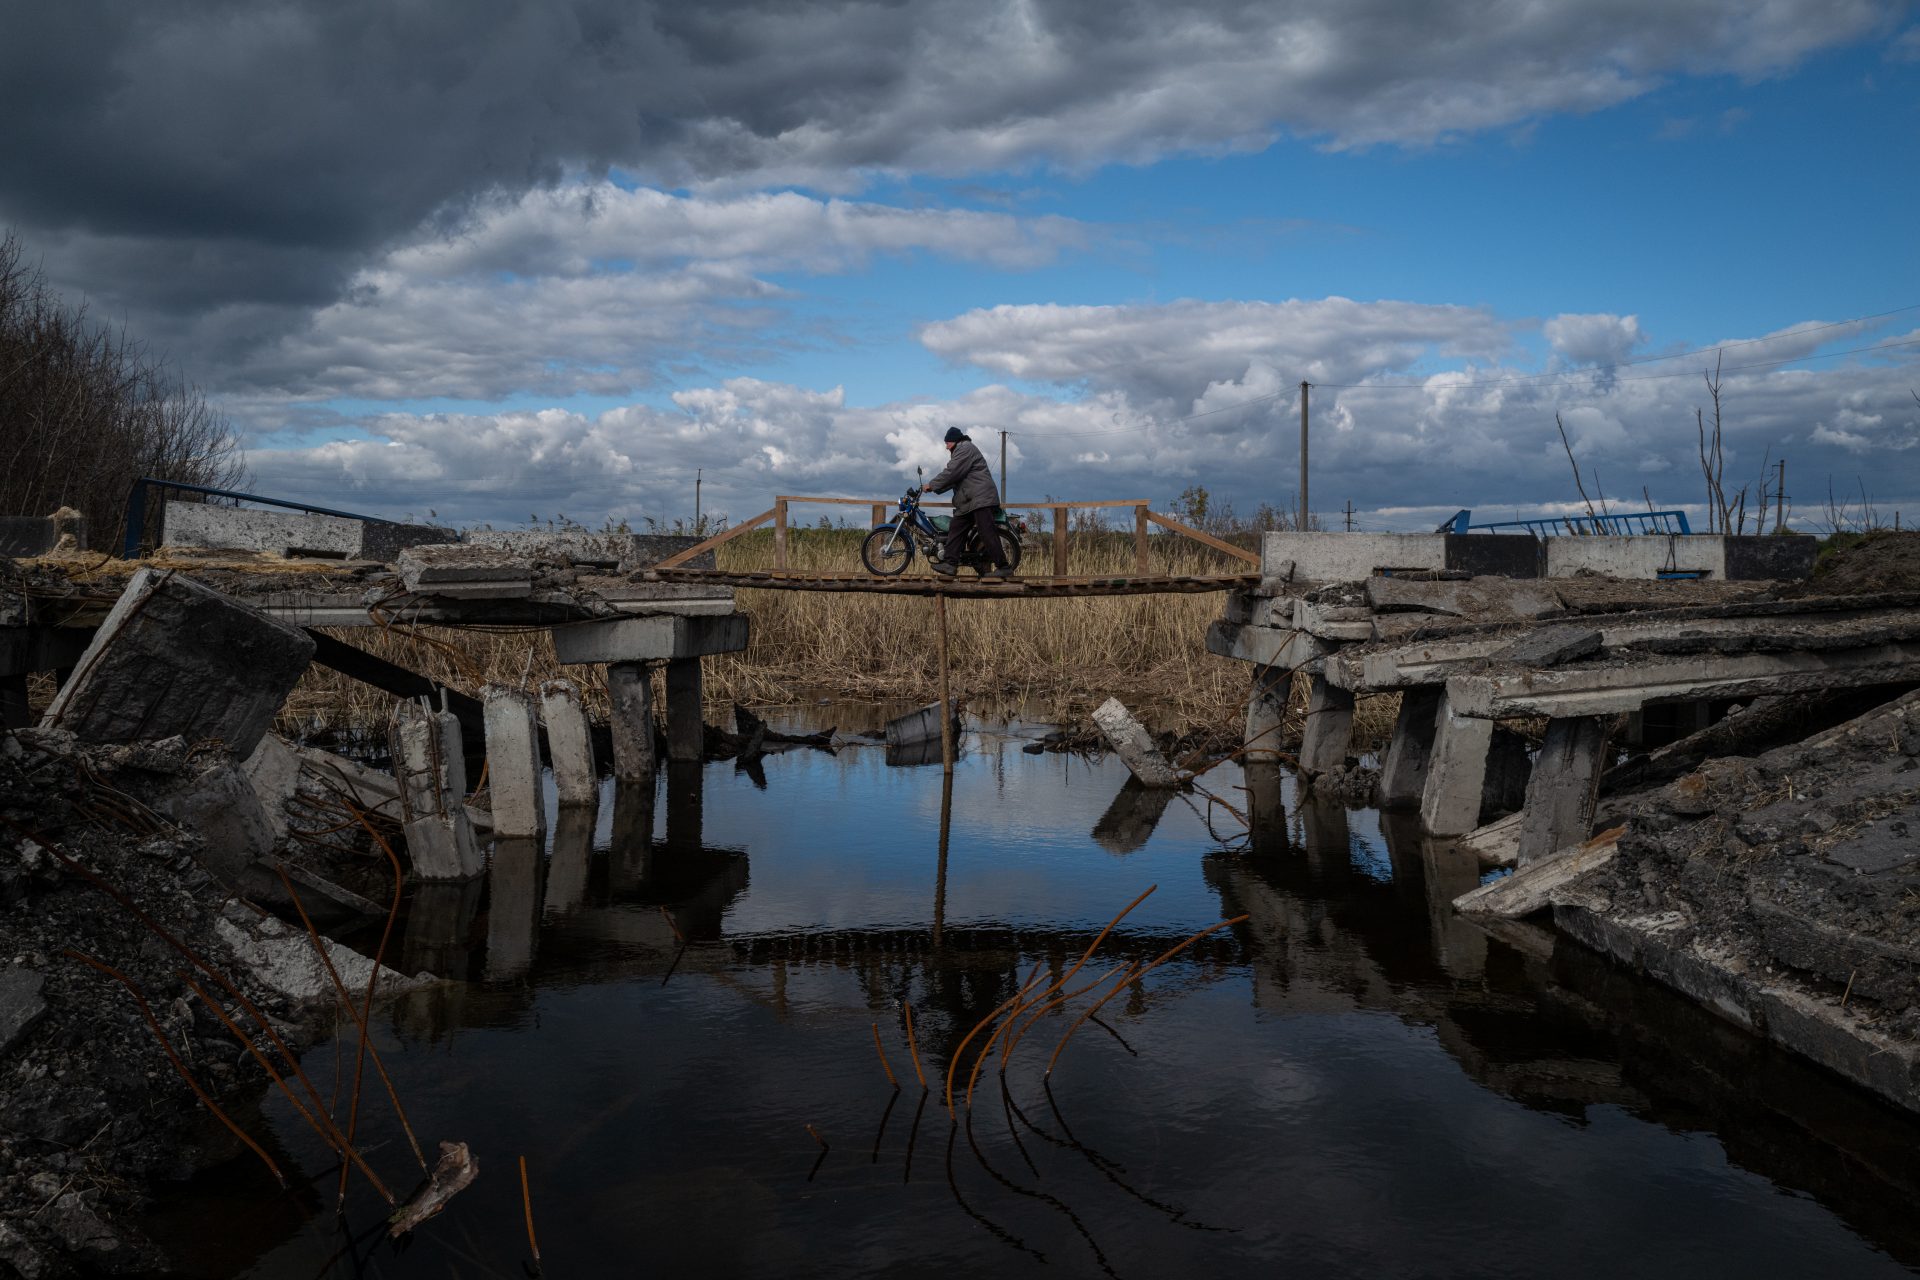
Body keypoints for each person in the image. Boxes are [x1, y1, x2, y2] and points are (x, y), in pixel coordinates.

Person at [921, 426, 1010, 577]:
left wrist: (932, 484)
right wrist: (933, 488)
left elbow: (951, 472)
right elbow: (954, 478)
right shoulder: (961, 450)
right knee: (956, 528)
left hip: (981, 498)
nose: (946, 446)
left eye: (947, 443)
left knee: (986, 531)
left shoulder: (965, 449)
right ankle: (950, 564)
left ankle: (1004, 567)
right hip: (970, 501)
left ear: (954, 441)